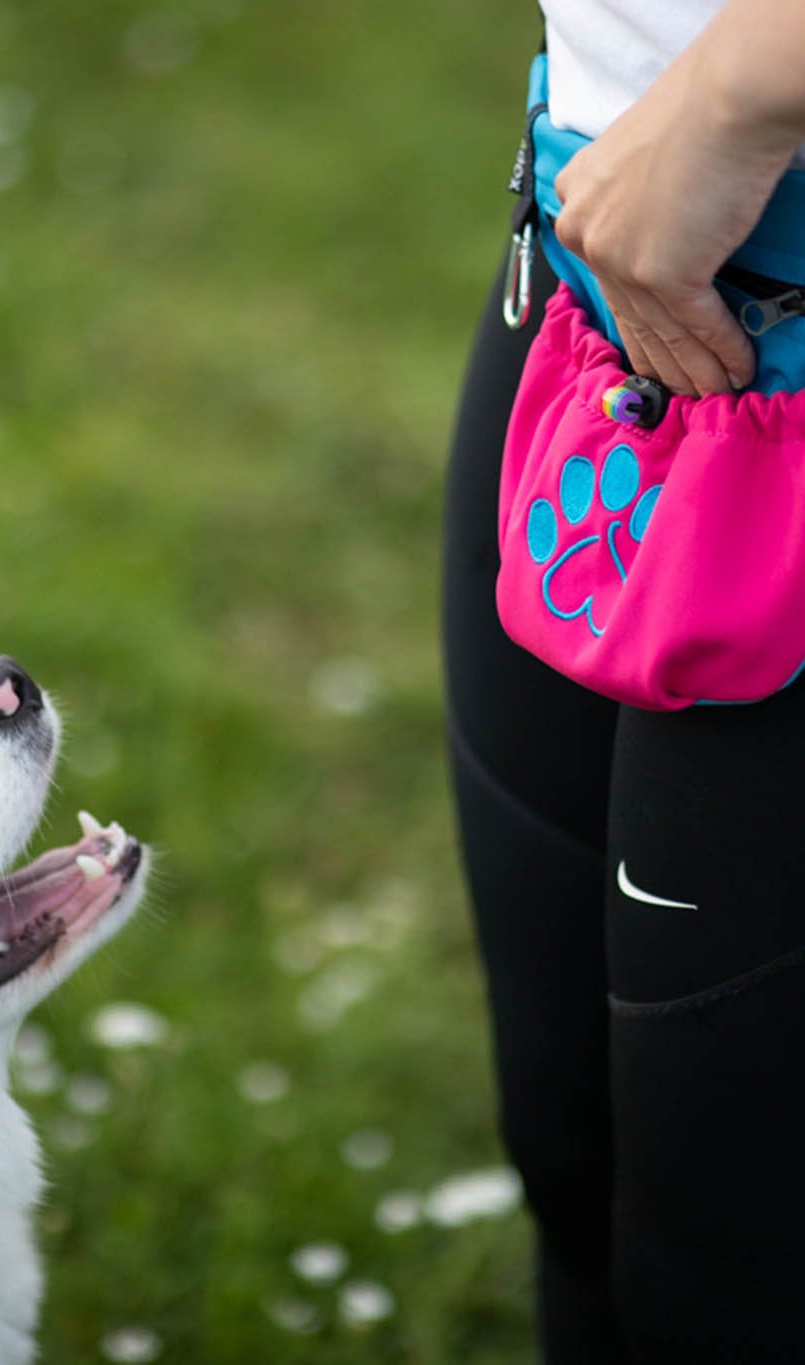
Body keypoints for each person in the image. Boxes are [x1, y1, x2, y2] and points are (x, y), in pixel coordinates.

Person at [442, 3, 805, 1361]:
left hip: (739, 234)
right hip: (595, 236)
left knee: (733, 1271)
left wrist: (741, 90)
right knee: (573, 1160)